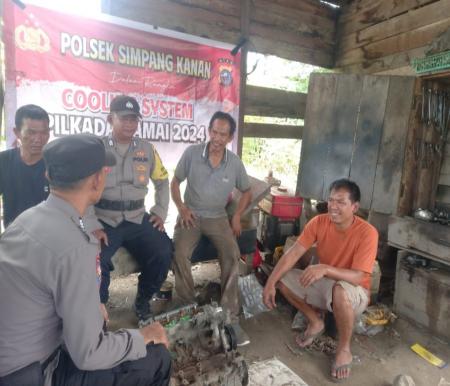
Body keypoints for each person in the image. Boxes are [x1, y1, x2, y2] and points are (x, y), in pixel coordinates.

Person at [0, 134, 171, 386]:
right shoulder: (76, 247)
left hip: (13, 359)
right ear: (98, 180)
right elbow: (88, 355)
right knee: (157, 357)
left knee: (98, 322)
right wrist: (143, 336)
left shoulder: (26, 219)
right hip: (33, 374)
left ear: (49, 175)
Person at [263, 179, 378, 382]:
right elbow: (293, 253)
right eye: (331, 200)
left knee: (340, 291)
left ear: (355, 207)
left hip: (354, 291)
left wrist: (324, 268)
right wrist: (270, 283)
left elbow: (360, 276)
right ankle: (315, 321)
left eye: (341, 202)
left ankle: (344, 349)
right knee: (283, 279)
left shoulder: (367, 232)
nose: (333, 206)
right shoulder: (319, 222)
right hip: (327, 284)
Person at [171, 111, 252, 346]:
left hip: (218, 217)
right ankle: (187, 308)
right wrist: (181, 207)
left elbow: (247, 191)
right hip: (192, 214)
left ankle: (229, 315)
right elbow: (175, 182)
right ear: (208, 131)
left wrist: (237, 215)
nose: (217, 138)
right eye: (214, 132)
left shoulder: (234, 162)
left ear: (230, 137)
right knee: (179, 253)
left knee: (231, 253)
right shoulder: (192, 154)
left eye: (223, 134)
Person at [94, 95, 172, 322]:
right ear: (110, 119)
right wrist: (90, 223)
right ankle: (98, 311)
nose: (130, 124)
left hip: (138, 218)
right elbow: (81, 188)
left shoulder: (147, 149)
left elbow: (163, 180)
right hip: (104, 219)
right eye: (124, 118)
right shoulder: (97, 148)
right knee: (95, 262)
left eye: (134, 120)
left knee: (163, 251)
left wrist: (160, 210)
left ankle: (143, 299)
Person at [0, 104, 50, 228]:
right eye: (31, 133)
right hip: (14, 237)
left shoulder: (56, 164)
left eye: (44, 132)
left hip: (48, 238)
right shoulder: (4, 161)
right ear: (17, 132)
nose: (38, 139)